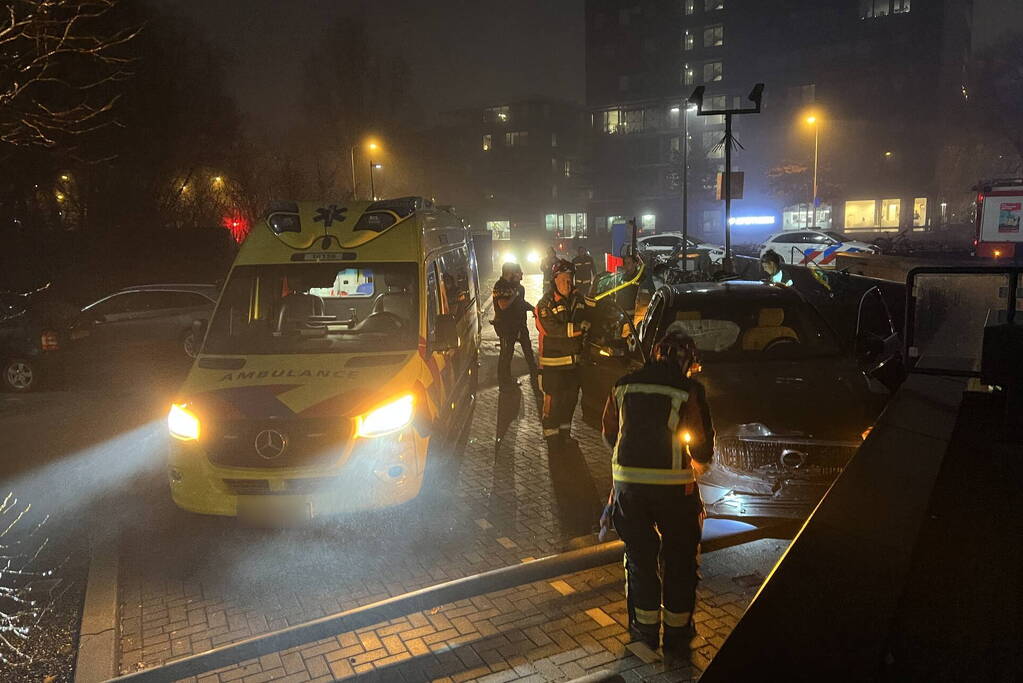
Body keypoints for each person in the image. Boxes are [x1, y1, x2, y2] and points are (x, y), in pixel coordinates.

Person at [601, 323, 714, 654]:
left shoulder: (623, 385)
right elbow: (703, 447)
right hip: (674, 492)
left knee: (639, 557)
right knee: (679, 558)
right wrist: (692, 461)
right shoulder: (689, 389)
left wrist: (631, 460)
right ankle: (677, 636)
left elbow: (610, 431)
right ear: (686, 360)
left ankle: (644, 632)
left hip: (628, 489)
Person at [535, 258, 596, 451]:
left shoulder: (578, 300)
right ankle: (551, 439)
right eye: (563, 280)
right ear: (555, 280)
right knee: (553, 402)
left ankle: (565, 433)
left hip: (573, 364)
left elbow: (593, 313)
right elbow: (552, 329)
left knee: (570, 401)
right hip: (553, 366)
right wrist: (579, 328)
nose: (567, 284)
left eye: (570, 279)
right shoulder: (545, 304)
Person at [492, 262, 538, 388]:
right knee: (506, 354)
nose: (521, 274)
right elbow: (503, 305)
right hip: (506, 326)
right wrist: (515, 294)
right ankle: (504, 382)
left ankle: (534, 371)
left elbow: (521, 303)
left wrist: (533, 309)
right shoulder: (500, 286)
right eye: (517, 272)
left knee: (527, 347)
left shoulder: (516, 287)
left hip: (519, 324)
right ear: (510, 273)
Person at [615, 253, 655, 325]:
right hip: (621, 313)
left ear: (635, 264)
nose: (626, 265)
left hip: (635, 315)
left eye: (629, 263)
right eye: (625, 263)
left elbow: (649, 295)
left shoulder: (641, 278)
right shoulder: (622, 277)